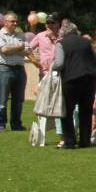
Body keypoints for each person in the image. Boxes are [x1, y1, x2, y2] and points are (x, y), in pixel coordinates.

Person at [57, 20, 96, 149]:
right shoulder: (87, 42)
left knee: (67, 111)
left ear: (63, 33)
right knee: (86, 111)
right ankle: (85, 141)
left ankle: (70, 141)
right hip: (90, 79)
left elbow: (59, 64)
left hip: (71, 80)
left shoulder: (61, 43)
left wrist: (52, 67)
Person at [27, 13, 61, 144]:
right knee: (42, 98)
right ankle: (41, 127)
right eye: (48, 23)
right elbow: (28, 49)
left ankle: (59, 130)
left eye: (52, 23)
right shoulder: (40, 36)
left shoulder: (62, 37)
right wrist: (35, 62)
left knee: (58, 100)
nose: (50, 25)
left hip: (60, 72)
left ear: (58, 24)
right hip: (45, 72)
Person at [0, 11, 27, 132]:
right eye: (13, 21)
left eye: (16, 21)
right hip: (4, 69)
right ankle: (0, 124)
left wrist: (14, 48)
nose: (15, 23)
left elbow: (27, 51)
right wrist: (19, 47)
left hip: (19, 69)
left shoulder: (20, 35)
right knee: (2, 99)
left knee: (19, 99)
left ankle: (16, 124)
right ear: (5, 22)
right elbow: (4, 49)